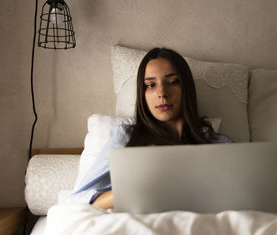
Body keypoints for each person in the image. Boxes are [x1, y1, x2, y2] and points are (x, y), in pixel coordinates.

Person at [71, 47, 232, 210]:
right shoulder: (126, 138)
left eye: (172, 82)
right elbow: (78, 201)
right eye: (150, 85)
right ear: (143, 93)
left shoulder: (219, 144)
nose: (162, 93)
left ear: (186, 88)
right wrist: (134, 190)